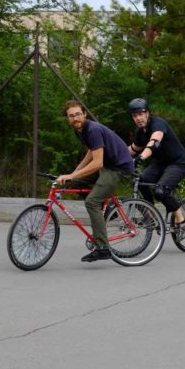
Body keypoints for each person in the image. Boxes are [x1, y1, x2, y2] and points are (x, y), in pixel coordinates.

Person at [59, 100, 135, 262]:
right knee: (71, 184)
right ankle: (103, 210)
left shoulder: (92, 129)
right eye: (71, 116)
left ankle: (103, 248)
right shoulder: (79, 130)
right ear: (68, 119)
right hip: (105, 166)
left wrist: (73, 174)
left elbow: (97, 162)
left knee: (91, 202)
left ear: (85, 114)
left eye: (78, 114)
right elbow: (91, 153)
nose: (75, 118)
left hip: (118, 168)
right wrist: (74, 174)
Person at [126, 98, 185, 235]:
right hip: (161, 164)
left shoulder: (158, 123)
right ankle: (152, 216)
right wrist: (116, 155)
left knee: (160, 191)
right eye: (134, 115)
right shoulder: (140, 132)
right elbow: (133, 149)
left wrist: (141, 158)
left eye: (140, 114)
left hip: (177, 163)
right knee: (140, 181)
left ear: (147, 113)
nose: (138, 118)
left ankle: (182, 221)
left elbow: (155, 142)